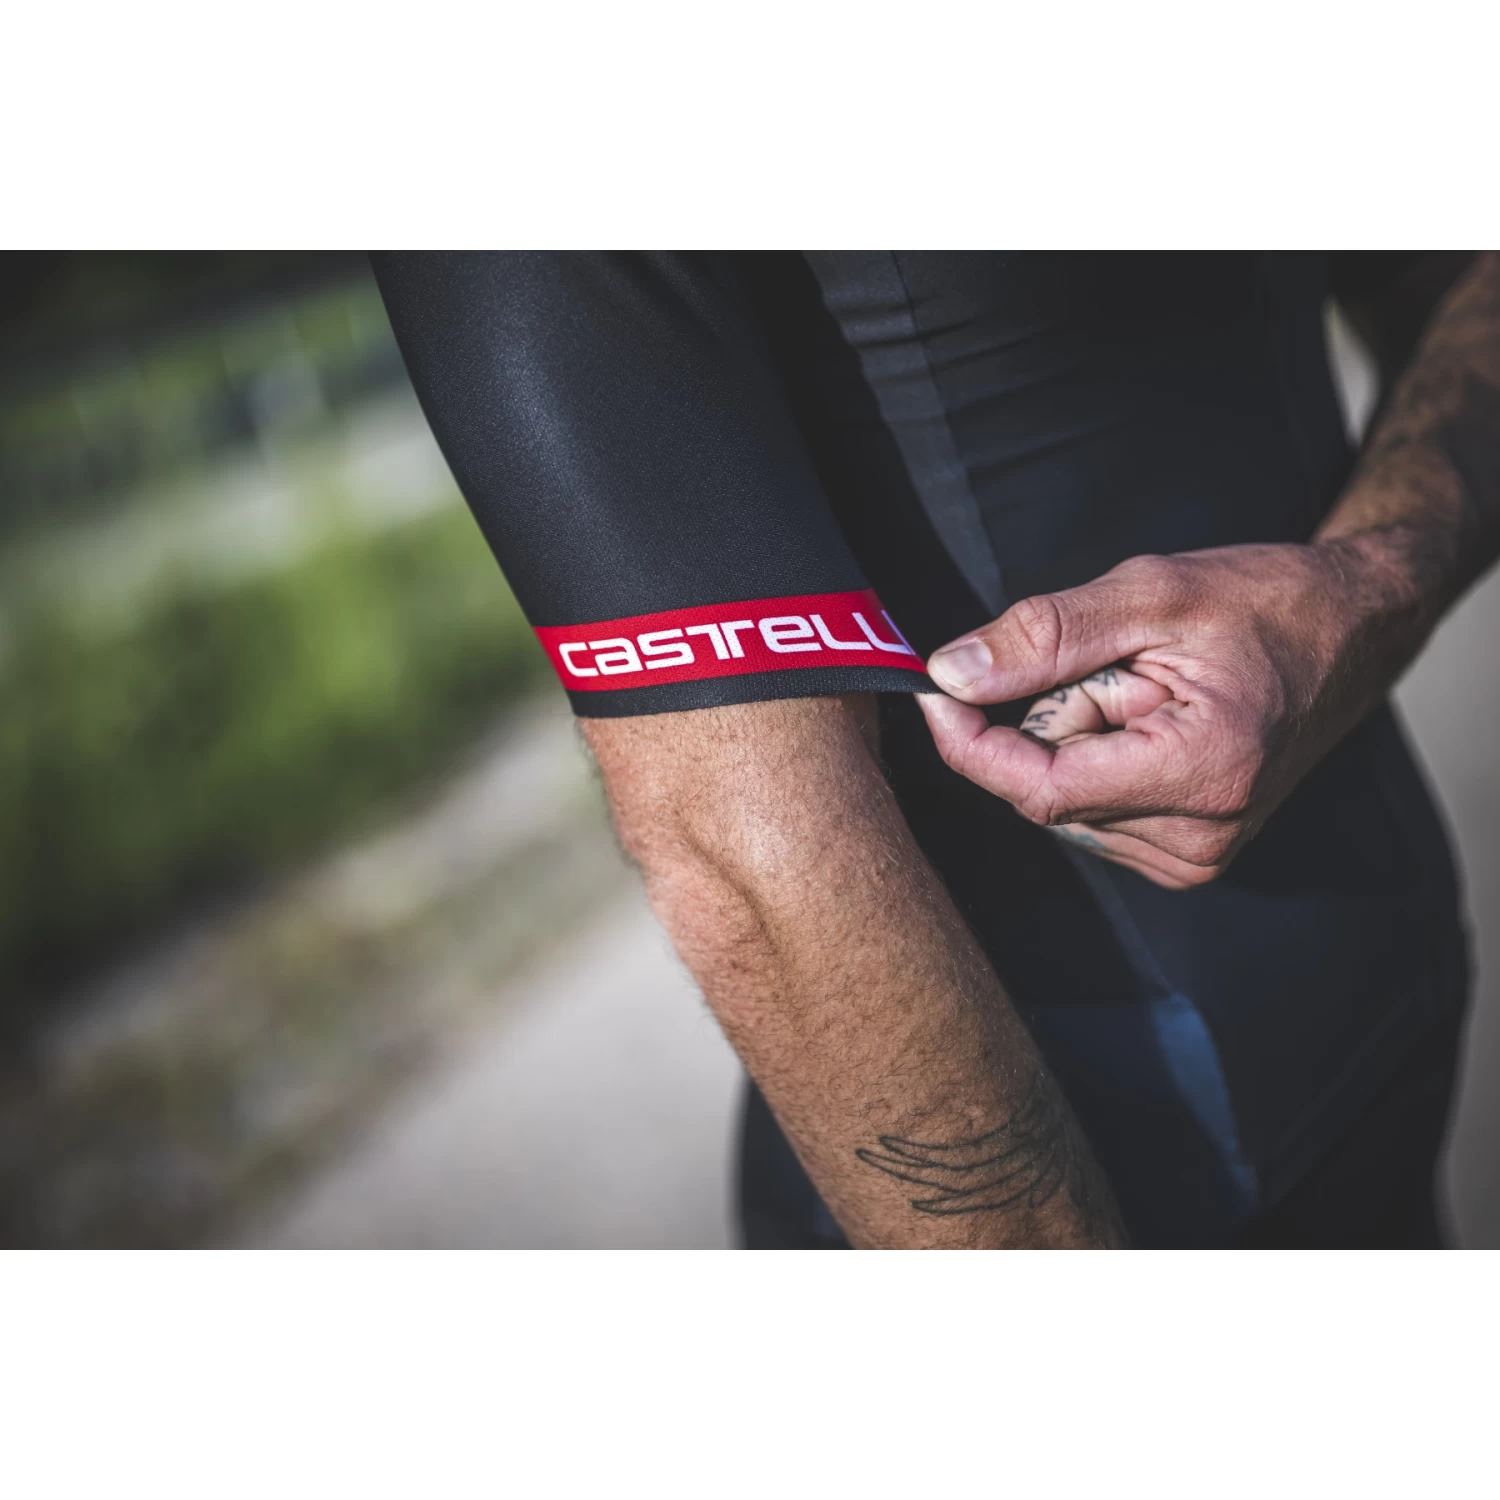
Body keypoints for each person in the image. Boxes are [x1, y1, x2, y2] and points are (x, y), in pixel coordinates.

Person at [373, 251, 1497, 1248]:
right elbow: (740, 844)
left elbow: (1460, 283)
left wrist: (1370, 582)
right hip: (1058, 1163)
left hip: (1395, 1013)